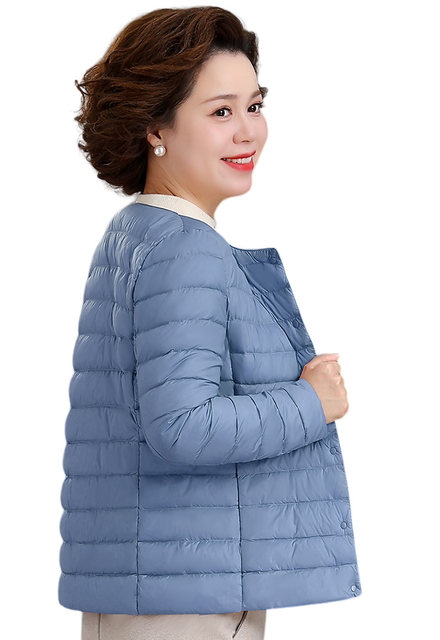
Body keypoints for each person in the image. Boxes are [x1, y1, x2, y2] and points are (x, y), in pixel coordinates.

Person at [58, 7, 362, 640]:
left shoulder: (136, 233)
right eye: (221, 111)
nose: (249, 132)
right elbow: (181, 426)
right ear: (155, 128)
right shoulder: (184, 248)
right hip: (192, 599)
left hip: (157, 584)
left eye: (255, 105)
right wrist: (313, 401)